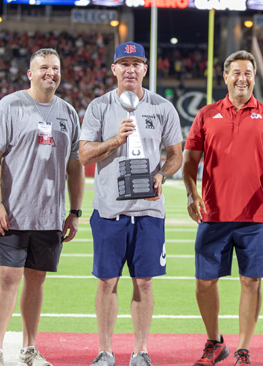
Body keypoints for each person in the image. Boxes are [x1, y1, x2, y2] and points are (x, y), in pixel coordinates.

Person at [182, 51, 263, 366]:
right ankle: (215, 341)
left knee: (250, 282)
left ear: (254, 77)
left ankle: (243, 348)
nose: (242, 78)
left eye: (248, 72)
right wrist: (192, 194)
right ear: (226, 76)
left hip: (254, 215)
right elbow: (190, 162)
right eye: (236, 72)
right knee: (204, 282)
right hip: (213, 214)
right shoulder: (206, 114)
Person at [79, 42, 183, 366]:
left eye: (136, 63)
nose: (130, 69)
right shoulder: (99, 107)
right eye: (123, 63)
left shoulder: (162, 107)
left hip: (149, 211)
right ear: (113, 70)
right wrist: (115, 140)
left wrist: (162, 176)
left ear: (145, 69)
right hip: (110, 210)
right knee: (107, 281)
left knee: (145, 281)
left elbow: (176, 155)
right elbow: (83, 154)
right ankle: (106, 351)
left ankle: (140, 350)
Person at [0, 49, 85, 366]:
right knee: (9, 277)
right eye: (43, 68)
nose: (50, 73)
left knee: (36, 280)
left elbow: (75, 165)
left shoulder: (68, 112)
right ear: (30, 73)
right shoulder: (10, 105)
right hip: (12, 212)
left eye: (55, 68)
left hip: (50, 216)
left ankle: (29, 348)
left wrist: (75, 211)